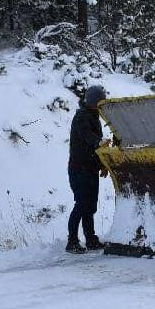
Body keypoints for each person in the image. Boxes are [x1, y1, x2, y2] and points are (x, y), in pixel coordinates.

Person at [67, 84, 107, 254]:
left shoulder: (94, 116)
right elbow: (88, 137)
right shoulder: (82, 117)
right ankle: (72, 241)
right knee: (82, 204)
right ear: (93, 101)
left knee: (90, 206)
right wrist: (98, 142)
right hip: (79, 169)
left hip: (90, 168)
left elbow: (93, 148)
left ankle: (90, 239)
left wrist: (102, 165)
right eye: (100, 101)